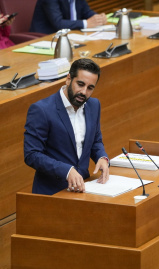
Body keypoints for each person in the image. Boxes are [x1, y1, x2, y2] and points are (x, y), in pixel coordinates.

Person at [24, 58, 110, 195]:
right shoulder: (42, 110)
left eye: (90, 88)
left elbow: (95, 141)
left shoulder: (94, 105)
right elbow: (32, 155)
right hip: (52, 193)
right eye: (80, 84)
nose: (84, 92)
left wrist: (101, 157)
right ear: (68, 79)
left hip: (84, 188)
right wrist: (66, 170)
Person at [30, 0, 107, 34]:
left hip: (70, 36)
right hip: (45, 39)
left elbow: (86, 12)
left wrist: (98, 18)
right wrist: (86, 23)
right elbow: (58, 23)